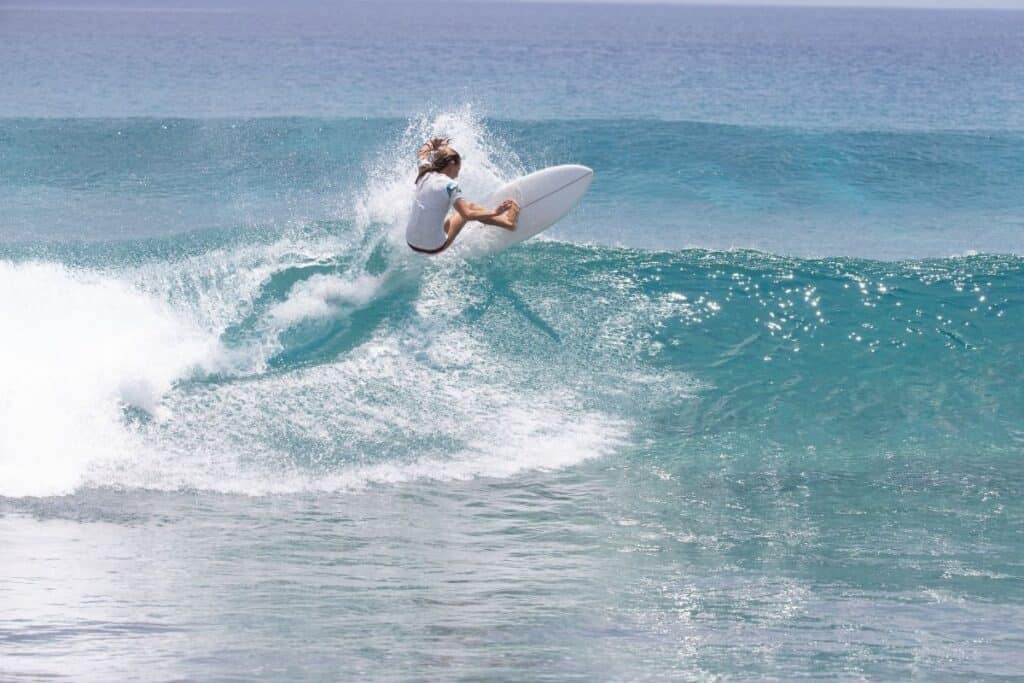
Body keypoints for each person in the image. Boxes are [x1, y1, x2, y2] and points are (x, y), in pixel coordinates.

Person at [405, 137, 519, 254]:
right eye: (458, 168)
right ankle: (509, 223)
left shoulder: (424, 173)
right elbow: (467, 214)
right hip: (434, 247)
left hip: (411, 242)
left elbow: (422, 153)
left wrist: (432, 143)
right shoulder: (450, 185)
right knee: (470, 207)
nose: (457, 174)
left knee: (448, 218)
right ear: (452, 164)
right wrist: (496, 212)